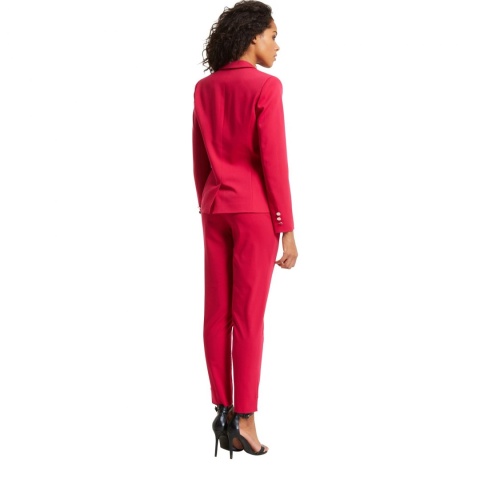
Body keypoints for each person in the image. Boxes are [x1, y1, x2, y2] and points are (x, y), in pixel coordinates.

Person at [192, 0, 298, 459]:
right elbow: (274, 161)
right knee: (248, 317)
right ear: (253, 36)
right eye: (273, 35)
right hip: (255, 213)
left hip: (215, 207)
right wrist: (286, 227)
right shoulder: (266, 87)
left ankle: (223, 411)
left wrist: (208, 201)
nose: (277, 45)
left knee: (217, 313)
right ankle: (246, 419)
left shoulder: (204, 89)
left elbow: (199, 159)